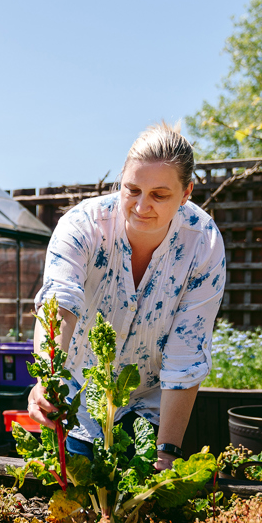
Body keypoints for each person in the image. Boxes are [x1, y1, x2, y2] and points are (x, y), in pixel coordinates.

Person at [27, 122, 225, 471]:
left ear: (187, 192)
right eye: (131, 189)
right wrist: (48, 377)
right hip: (77, 391)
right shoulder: (83, 225)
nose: (141, 206)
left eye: (159, 195)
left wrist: (166, 449)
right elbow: (60, 303)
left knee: (143, 496)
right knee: (77, 496)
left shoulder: (203, 243)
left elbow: (186, 351)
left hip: (150, 400)